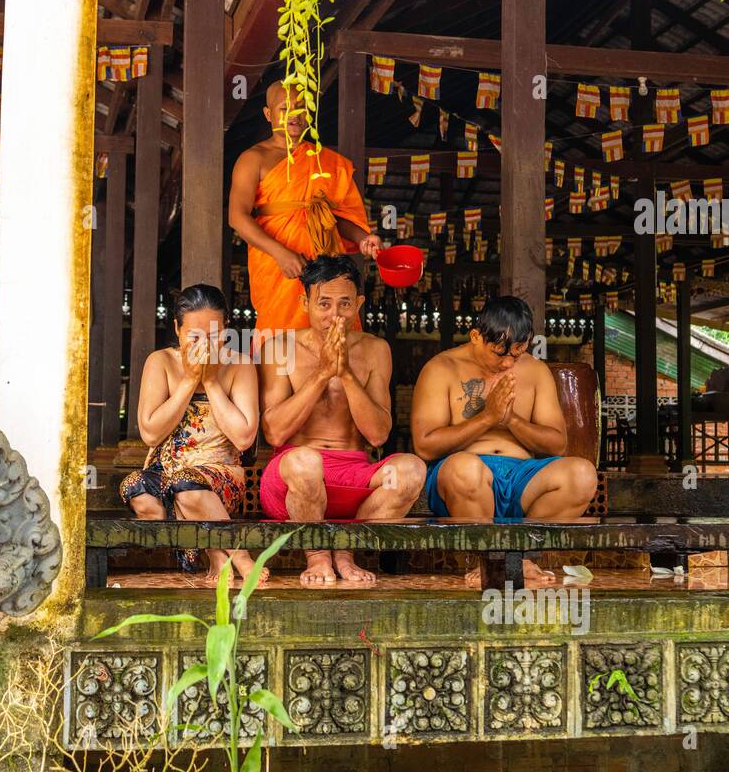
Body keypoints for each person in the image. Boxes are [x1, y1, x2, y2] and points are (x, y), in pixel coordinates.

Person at [258, 254, 425, 587]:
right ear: (305, 303)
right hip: (295, 482)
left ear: (359, 304)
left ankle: (346, 552)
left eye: (345, 304)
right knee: (305, 462)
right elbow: (274, 432)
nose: (334, 315)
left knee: (410, 471)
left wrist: (346, 373)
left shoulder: (376, 350)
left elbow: (378, 435)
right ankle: (318, 556)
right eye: (324, 304)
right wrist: (322, 373)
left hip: (355, 481)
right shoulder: (279, 347)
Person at [409, 295, 599, 587]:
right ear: (475, 336)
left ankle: (524, 558)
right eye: (499, 353)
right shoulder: (441, 368)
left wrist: (511, 420)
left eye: (518, 353)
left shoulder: (535, 371)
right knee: (465, 469)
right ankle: (488, 560)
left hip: (522, 478)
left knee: (582, 474)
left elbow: (557, 443)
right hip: (463, 481)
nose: (508, 362)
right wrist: (487, 417)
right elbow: (424, 445)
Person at [121, 284, 265, 587]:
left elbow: (243, 438)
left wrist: (211, 382)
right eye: (195, 337)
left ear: (226, 330)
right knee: (137, 488)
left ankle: (236, 554)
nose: (206, 345)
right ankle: (215, 548)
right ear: (177, 328)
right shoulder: (160, 362)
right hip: (168, 470)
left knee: (186, 484)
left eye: (214, 336)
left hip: (218, 477)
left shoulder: (239, 365)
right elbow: (149, 433)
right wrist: (188, 380)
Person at [228, 81, 380, 341]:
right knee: (280, 338)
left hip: (326, 265)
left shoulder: (325, 160)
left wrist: (362, 238)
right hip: (280, 264)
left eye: (301, 108)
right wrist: (280, 254)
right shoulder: (254, 158)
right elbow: (237, 217)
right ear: (268, 114)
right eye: (285, 108)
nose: (294, 115)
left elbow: (335, 219)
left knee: (334, 329)